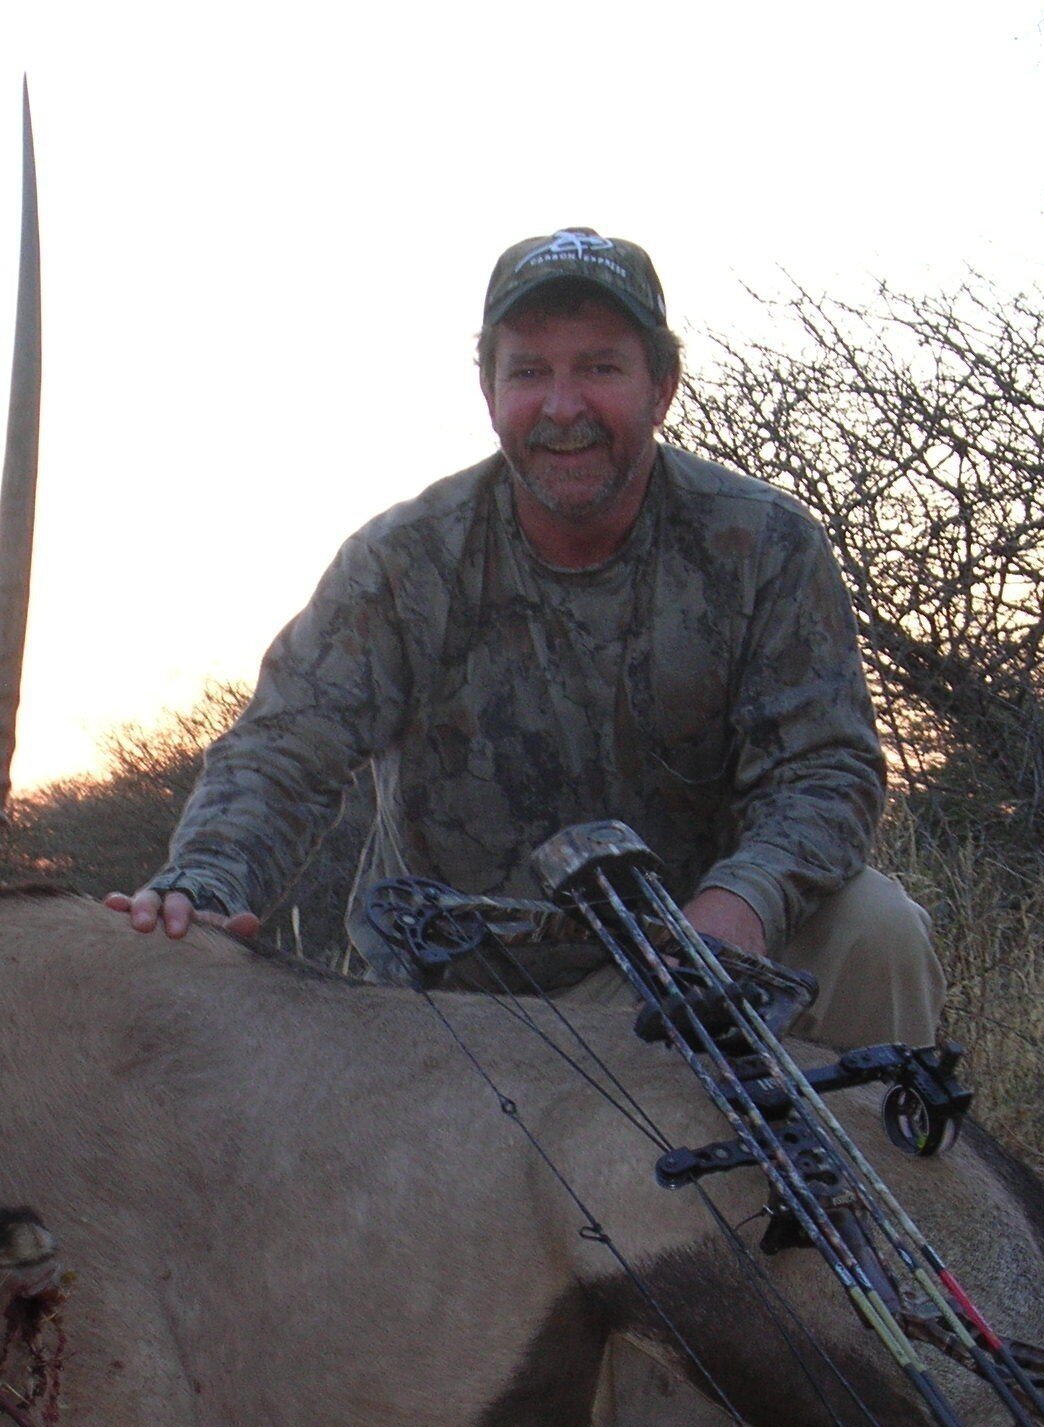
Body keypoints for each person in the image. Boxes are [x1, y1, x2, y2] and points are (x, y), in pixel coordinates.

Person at [107, 228, 943, 1050]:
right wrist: (204, 883)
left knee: (877, 928)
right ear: (489, 390)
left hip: (686, 974)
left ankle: (881, 1185)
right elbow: (284, 749)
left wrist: (745, 902)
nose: (563, 406)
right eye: (531, 371)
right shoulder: (402, 560)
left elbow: (824, 767)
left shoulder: (764, 542)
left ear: (662, 386)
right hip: (455, 1013)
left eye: (600, 367)